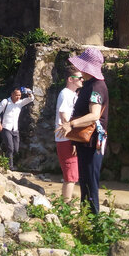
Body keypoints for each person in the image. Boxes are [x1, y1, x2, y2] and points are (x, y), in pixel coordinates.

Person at [64, 47, 109, 215]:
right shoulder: (90, 84)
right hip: (85, 142)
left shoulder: (96, 86)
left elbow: (94, 114)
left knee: (90, 181)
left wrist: (72, 124)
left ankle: (93, 219)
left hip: (92, 142)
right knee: (85, 180)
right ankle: (86, 217)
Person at [55, 71, 83, 205]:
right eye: (80, 78)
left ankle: (67, 202)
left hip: (69, 138)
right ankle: (66, 204)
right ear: (70, 79)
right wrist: (73, 138)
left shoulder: (71, 94)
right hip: (66, 138)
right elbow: (64, 115)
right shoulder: (65, 93)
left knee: (73, 173)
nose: (82, 80)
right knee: (70, 174)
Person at [0, 86, 34, 168]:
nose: (18, 97)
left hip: (15, 129)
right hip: (6, 128)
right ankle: (10, 167)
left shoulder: (20, 103)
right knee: (10, 148)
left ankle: (4, 158)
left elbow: (31, 99)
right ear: (12, 94)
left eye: (19, 95)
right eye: (16, 95)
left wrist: (28, 92)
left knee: (16, 149)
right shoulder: (6, 102)